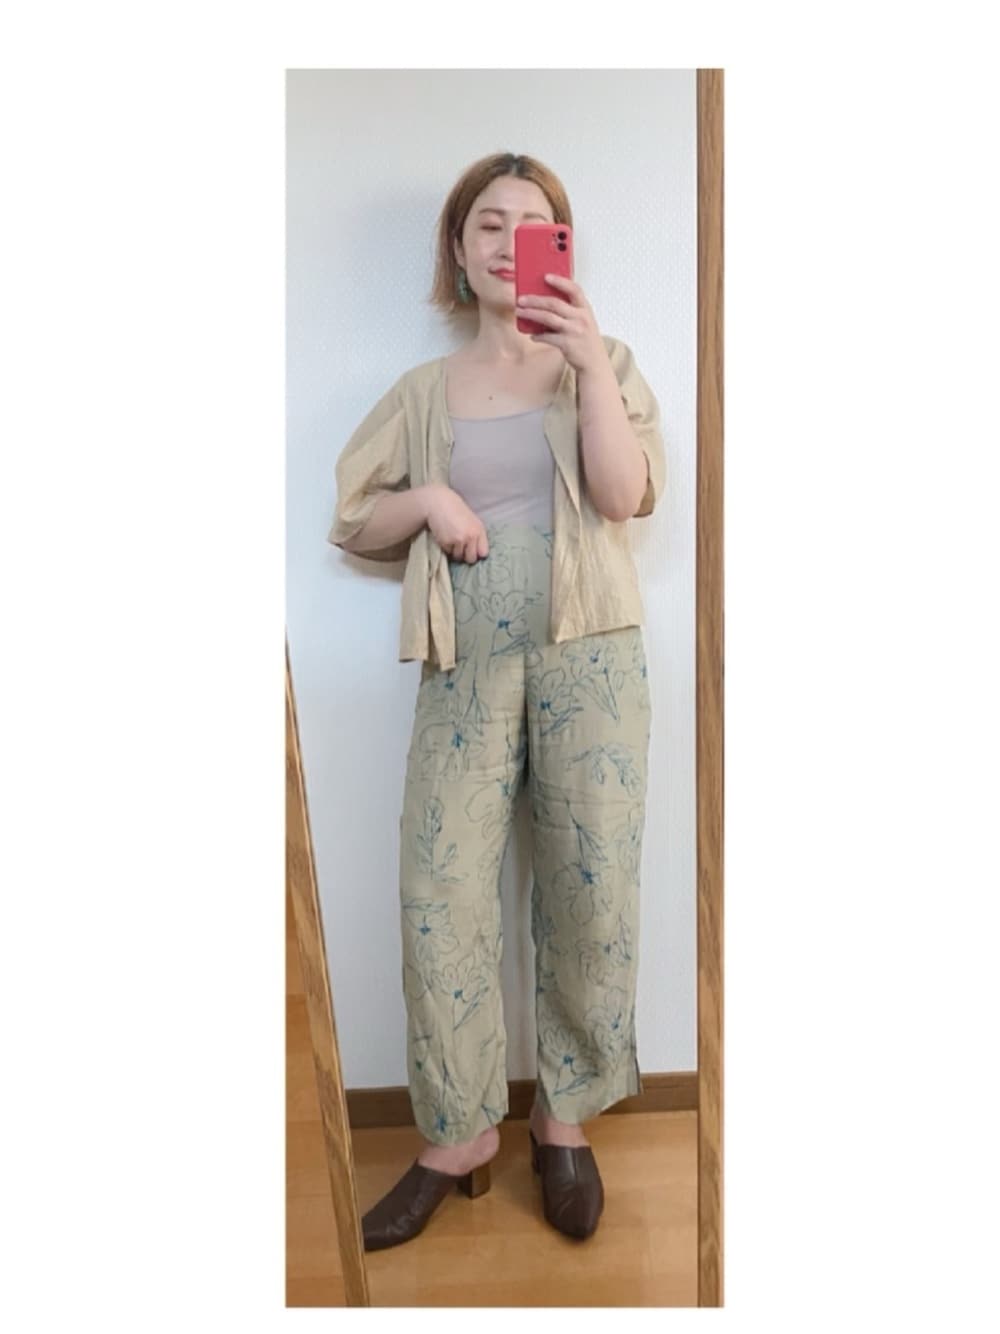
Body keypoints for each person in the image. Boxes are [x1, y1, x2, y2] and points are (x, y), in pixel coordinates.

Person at [327, 152, 666, 1250]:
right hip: (465, 658)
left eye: (531, 221)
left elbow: (624, 493)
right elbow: (354, 517)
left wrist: (591, 367)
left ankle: (562, 1117)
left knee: (589, 884)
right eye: (487, 222)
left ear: (557, 246)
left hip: (592, 657)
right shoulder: (422, 393)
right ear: (458, 247)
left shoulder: (601, 362)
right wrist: (429, 497)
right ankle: (458, 1131)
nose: (506, 239)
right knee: (441, 888)